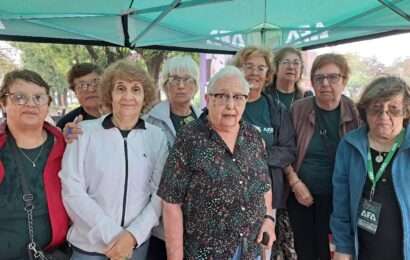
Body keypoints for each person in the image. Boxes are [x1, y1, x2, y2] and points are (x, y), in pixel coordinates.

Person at [158, 66, 276, 260]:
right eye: (222, 96)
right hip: (207, 252)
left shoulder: (254, 137)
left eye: (238, 97)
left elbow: (264, 185)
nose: (231, 105)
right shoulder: (189, 139)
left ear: (246, 100)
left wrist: (269, 219)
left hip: (249, 249)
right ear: (208, 99)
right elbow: (171, 203)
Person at [60, 60, 169, 260]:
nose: (128, 96)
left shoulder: (157, 137)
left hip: (136, 246)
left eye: (136, 89)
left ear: (145, 96)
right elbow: (72, 190)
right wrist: (115, 236)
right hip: (90, 248)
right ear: (110, 93)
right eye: (121, 88)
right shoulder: (83, 132)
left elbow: (160, 192)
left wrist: (133, 236)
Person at [285, 53, 361, 260]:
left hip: (341, 198)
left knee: (335, 251)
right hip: (302, 195)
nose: (325, 84)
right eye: (319, 78)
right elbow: (284, 149)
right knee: (306, 251)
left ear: (344, 80)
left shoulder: (356, 113)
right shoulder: (298, 109)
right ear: (312, 82)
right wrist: (295, 183)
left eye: (333, 77)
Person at [331, 76, 410, 260]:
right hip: (363, 250)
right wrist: (342, 248)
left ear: (406, 112)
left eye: (393, 109)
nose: (383, 116)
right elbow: (340, 205)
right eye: (376, 109)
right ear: (365, 111)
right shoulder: (349, 145)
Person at [231, 46, 297, 260]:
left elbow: (288, 150)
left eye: (261, 68)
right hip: (228, 195)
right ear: (238, 70)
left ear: (268, 74)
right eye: (248, 66)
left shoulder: (276, 110)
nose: (254, 73)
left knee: (262, 252)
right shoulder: (226, 103)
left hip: (266, 199)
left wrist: (255, 153)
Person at [0, 69, 69, 259]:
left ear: (48, 105)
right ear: (3, 104)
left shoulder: (67, 147)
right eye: (19, 97)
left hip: (52, 253)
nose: (31, 104)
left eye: (38, 97)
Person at [144, 55, 201, 260]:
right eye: (174, 79)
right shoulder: (149, 121)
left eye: (187, 80)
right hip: (161, 213)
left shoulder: (205, 118)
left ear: (195, 85)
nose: (181, 85)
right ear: (165, 85)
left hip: (198, 216)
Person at [57, 63, 102, 130]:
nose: (91, 90)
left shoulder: (120, 113)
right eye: (81, 85)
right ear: (75, 92)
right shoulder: (66, 124)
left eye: (95, 83)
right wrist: (66, 138)